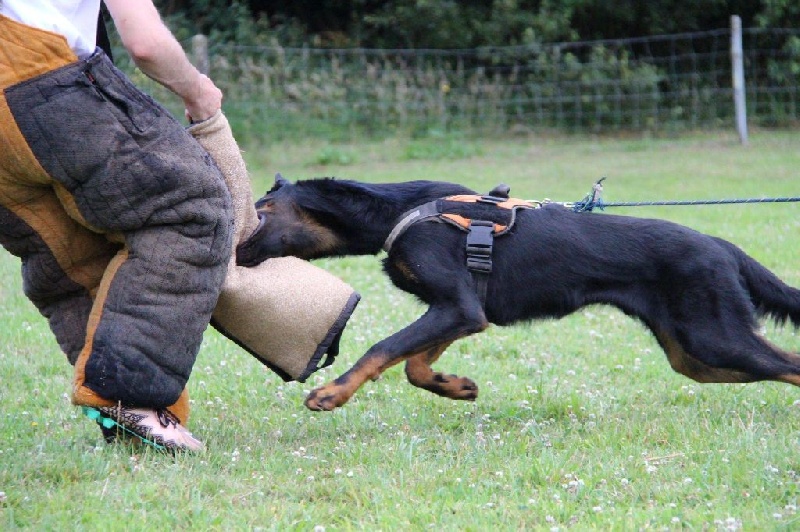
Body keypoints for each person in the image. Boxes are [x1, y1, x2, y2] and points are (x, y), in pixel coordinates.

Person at [0, 0, 234, 451]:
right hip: (39, 81)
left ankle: (132, 424)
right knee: (190, 208)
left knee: (65, 256)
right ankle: (128, 397)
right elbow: (145, 42)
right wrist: (197, 90)